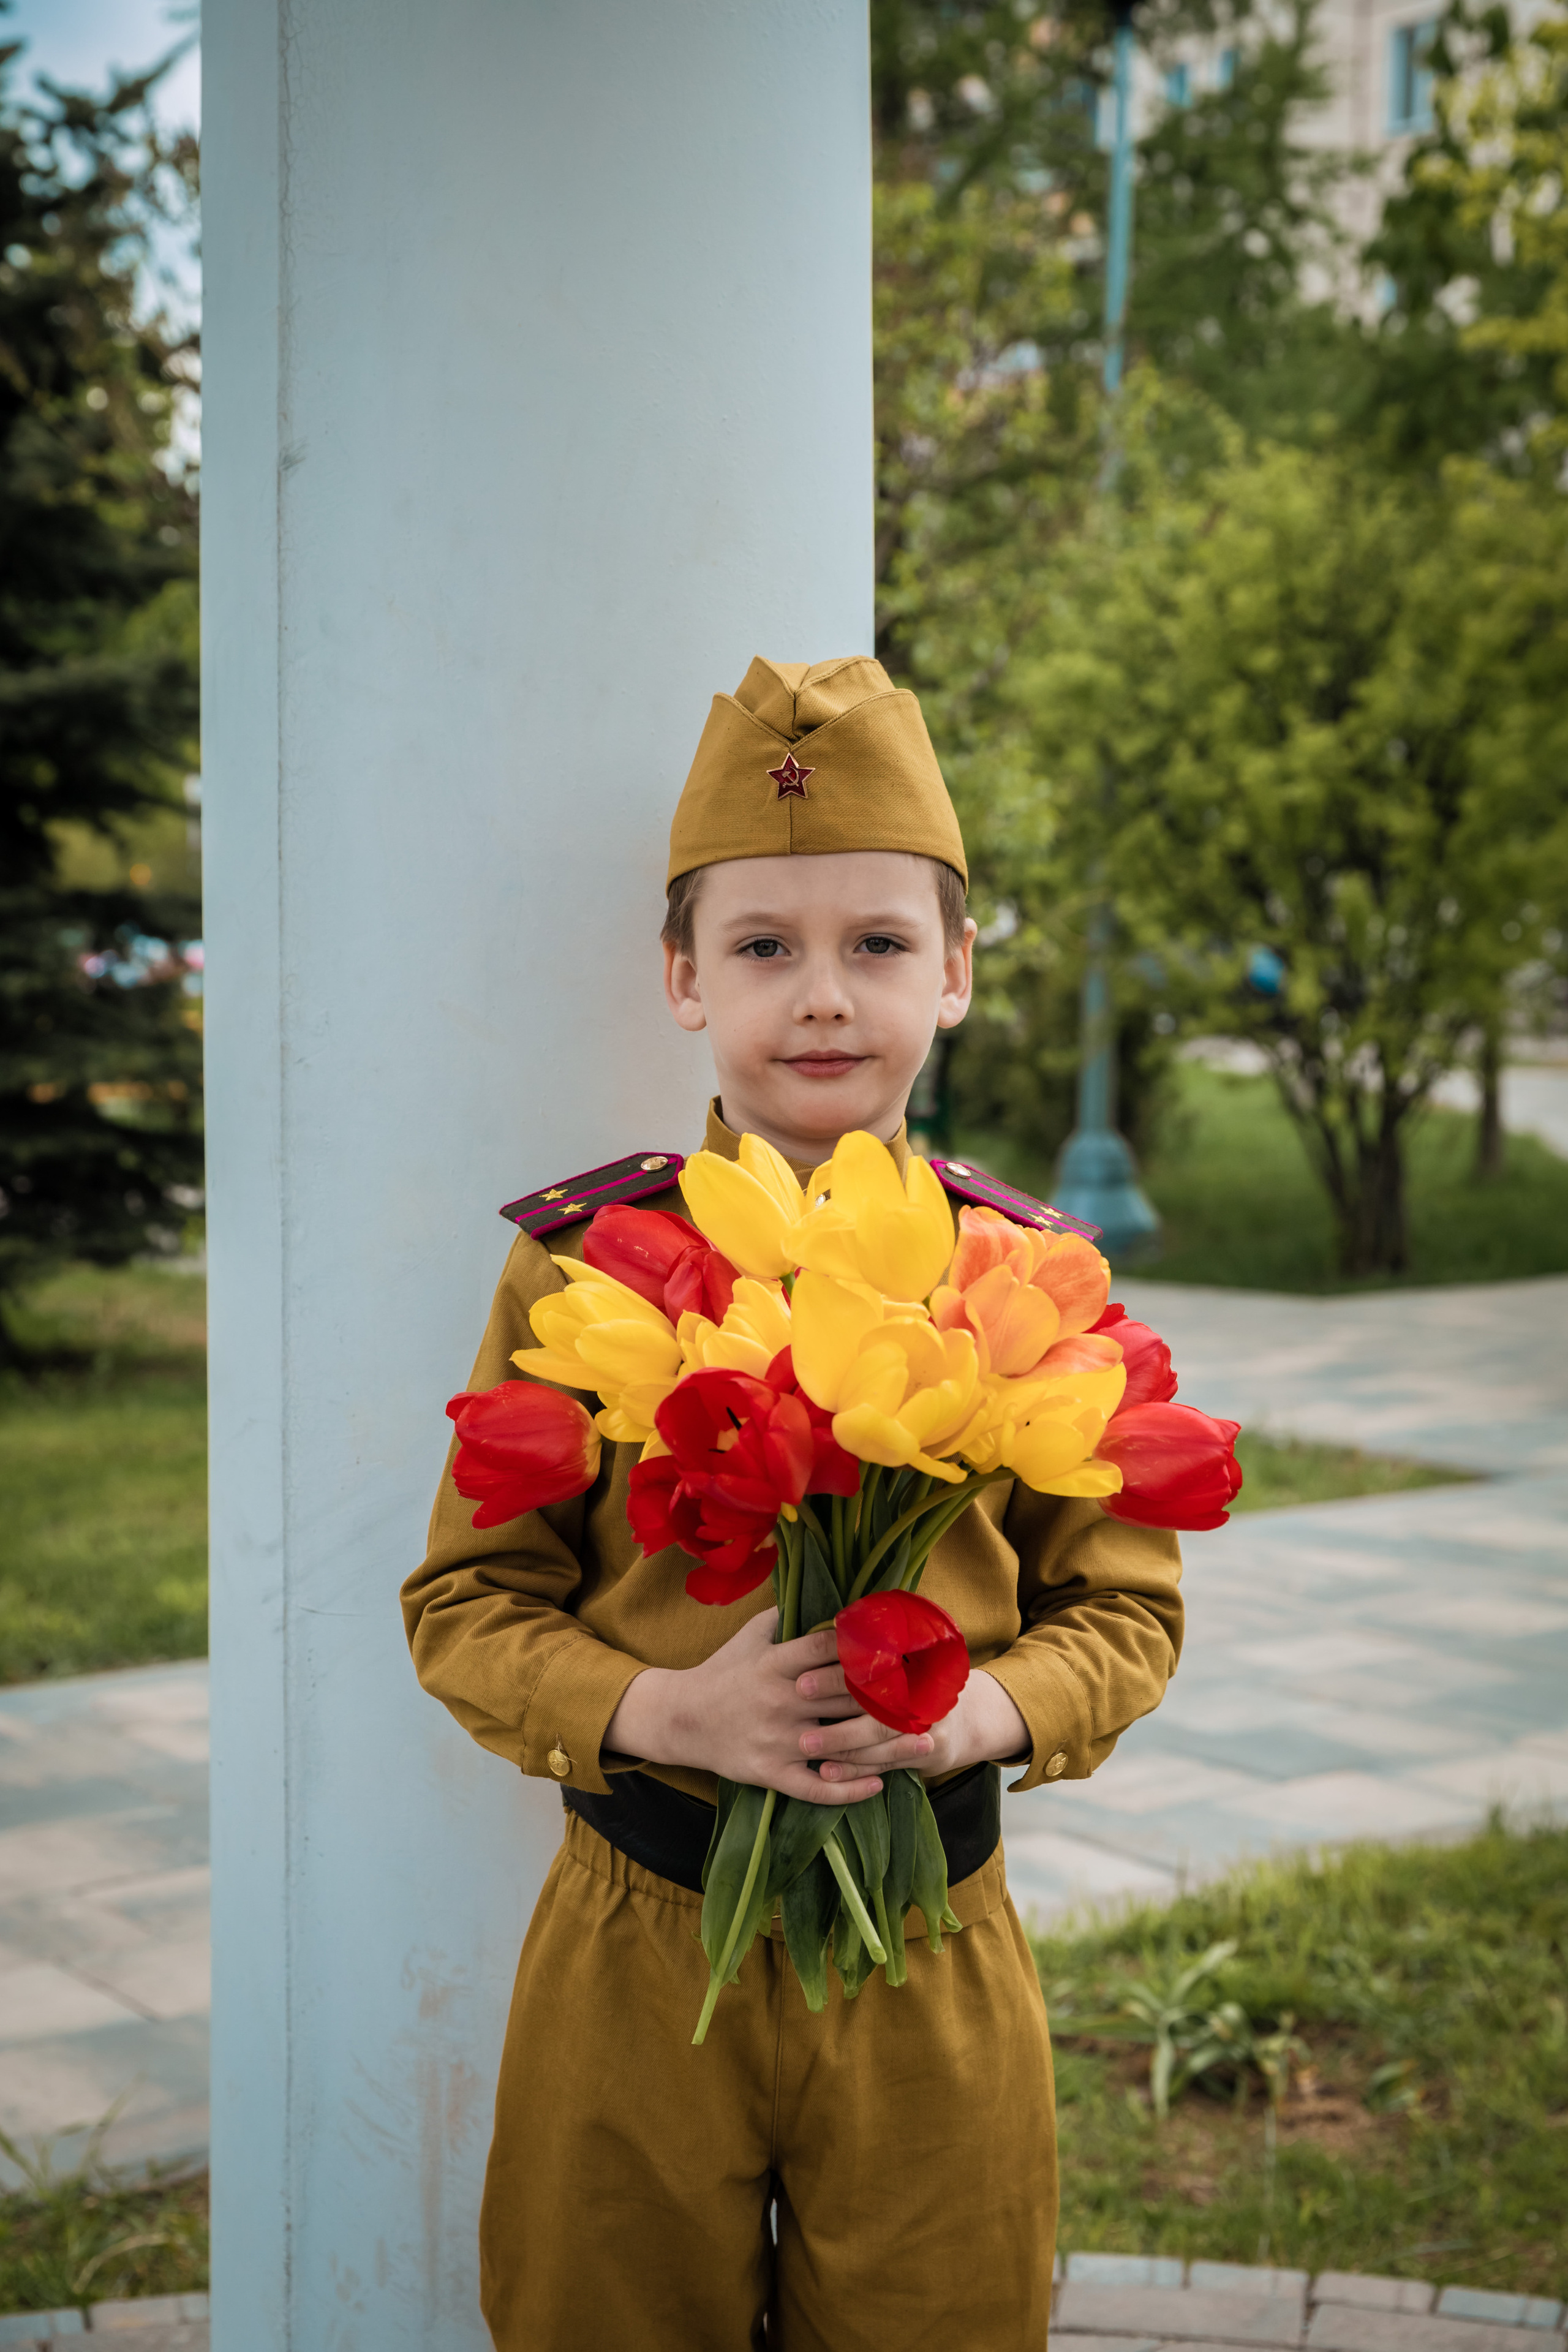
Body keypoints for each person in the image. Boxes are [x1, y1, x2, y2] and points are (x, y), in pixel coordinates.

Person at [401, 655, 1184, 2352]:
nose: (822, 996)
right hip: (639, 1937)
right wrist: (663, 1705)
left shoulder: (1027, 1271)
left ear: (959, 973)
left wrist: (985, 1712)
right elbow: (461, 1607)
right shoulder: (588, 1263)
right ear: (681, 979)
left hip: (932, 1931)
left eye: (880, 944)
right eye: (763, 947)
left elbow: (1127, 1609)